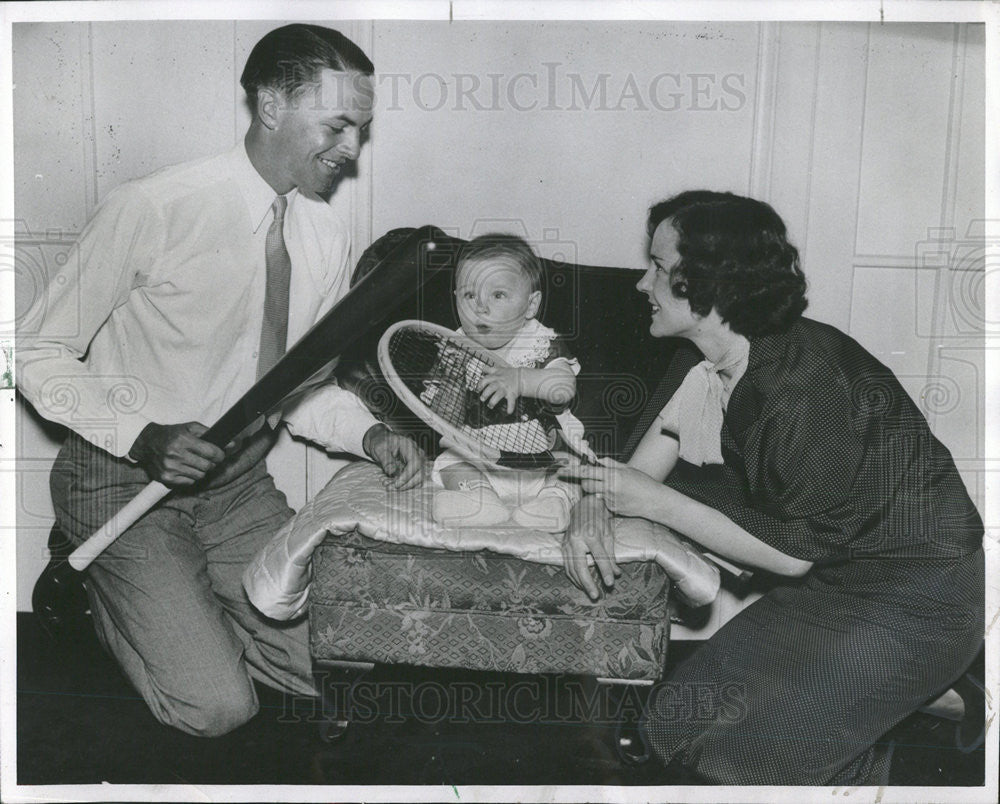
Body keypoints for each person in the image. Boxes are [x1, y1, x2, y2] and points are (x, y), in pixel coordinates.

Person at [16, 24, 425, 737]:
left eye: (360, 129)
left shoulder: (324, 237)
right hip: (121, 484)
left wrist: (371, 433)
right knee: (216, 708)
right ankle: (107, 589)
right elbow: (34, 353)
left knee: (337, 667)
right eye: (337, 125)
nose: (352, 150)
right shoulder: (153, 207)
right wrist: (142, 438)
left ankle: (184, 606)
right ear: (272, 104)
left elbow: (294, 387)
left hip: (237, 489)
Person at [560, 190, 984, 785]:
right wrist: (590, 510)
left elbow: (789, 557)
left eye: (658, 267)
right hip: (834, 582)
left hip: (915, 598)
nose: (641, 284)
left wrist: (649, 502)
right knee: (672, 728)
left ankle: (915, 689)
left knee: (742, 767)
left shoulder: (803, 383)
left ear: (708, 284)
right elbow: (636, 472)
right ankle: (918, 696)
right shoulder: (704, 356)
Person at [430, 233, 584, 531]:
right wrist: (451, 378)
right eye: (469, 295)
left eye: (497, 295)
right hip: (480, 459)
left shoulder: (538, 341)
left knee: (570, 469)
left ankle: (553, 501)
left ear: (530, 305)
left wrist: (520, 379)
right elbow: (441, 421)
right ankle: (479, 500)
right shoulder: (455, 346)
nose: (480, 308)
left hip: (540, 457)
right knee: (450, 461)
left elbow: (564, 388)